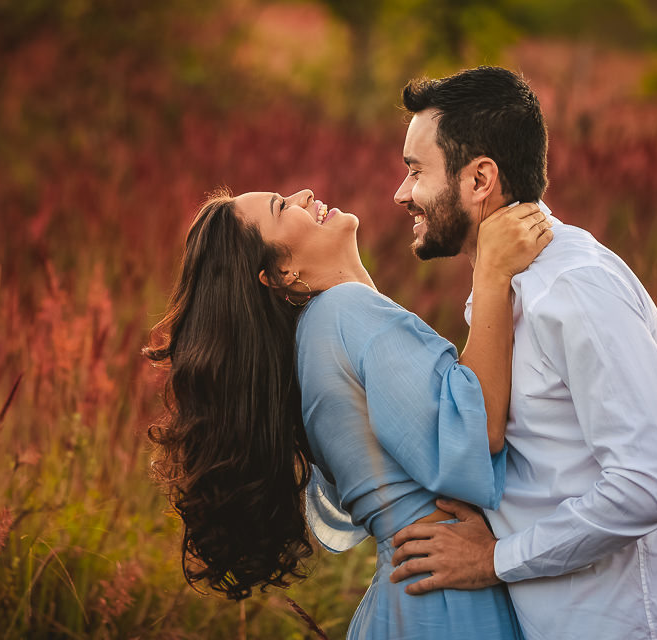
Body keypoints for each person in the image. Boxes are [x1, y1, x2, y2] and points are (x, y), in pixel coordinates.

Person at [145, 185, 551, 639]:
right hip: (446, 597)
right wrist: (493, 274)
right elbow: (477, 432)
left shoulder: (319, 333)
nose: (303, 193)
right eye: (283, 207)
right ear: (280, 272)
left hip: (414, 591)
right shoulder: (345, 313)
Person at [387, 66, 657, 640]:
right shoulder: (500, 288)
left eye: (414, 170)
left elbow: (648, 486)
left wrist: (496, 558)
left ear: (480, 178)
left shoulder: (577, 289)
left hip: (630, 625)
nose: (402, 193)